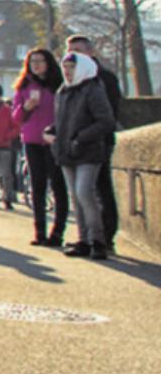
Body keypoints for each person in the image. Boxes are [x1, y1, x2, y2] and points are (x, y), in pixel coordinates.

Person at [51, 53, 115, 260]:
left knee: (84, 193)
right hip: (67, 150)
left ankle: (98, 240)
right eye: (65, 67)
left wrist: (81, 137)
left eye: (71, 67)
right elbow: (63, 121)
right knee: (77, 198)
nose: (67, 72)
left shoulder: (93, 88)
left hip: (88, 151)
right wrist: (53, 132)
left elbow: (106, 121)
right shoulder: (62, 91)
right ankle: (84, 240)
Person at [65, 36, 122, 256]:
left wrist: (86, 134)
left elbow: (109, 115)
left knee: (101, 190)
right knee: (82, 193)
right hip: (76, 145)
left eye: (78, 51)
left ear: (91, 52)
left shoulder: (104, 78)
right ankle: (87, 238)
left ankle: (106, 238)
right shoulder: (70, 81)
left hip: (98, 142)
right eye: (70, 51)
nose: (74, 55)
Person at [12, 48, 68, 248]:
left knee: (58, 186)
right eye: (32, 61)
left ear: (48, 63)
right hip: (32, 140)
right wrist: (26, 107)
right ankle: (40, 231)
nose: (36, 65)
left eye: (40, 61)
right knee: (37, 186)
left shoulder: (58, 86)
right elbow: (16, 117)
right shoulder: (24, 86)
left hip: (53, 141)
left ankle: (58, 232)